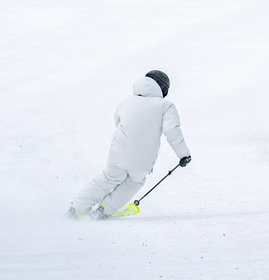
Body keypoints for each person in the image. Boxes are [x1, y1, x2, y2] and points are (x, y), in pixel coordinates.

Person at [69, 70, 192, 219]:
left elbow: (118, 122)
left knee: (107, 178)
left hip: (118, 152)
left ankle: (77, 208)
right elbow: (172, 131)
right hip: (142, 159)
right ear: (163, 89)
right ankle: (103, 210)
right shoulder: (165, 106)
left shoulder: (126, 102)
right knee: (134, 182)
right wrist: (184, 155)